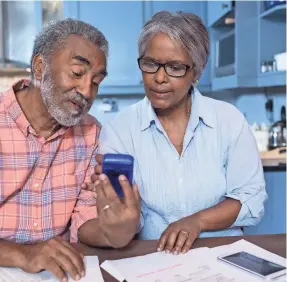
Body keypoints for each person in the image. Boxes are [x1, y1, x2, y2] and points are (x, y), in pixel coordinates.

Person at [88, 11, 267, 256]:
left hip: (224, 257)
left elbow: (251, 200)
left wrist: (197, 221)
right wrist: (119, 214)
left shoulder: (229, 120)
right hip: (154, 258)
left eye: (174, 67)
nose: (159, 78)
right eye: (150, 64)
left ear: (197, 71)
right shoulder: (120, 130)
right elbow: (125, 220)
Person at [0, 18, 140, 282]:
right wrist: (21, 255)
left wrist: (114, 230)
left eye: (97, 81)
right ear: (40, 67)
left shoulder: (91, 134)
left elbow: (85, 222)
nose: (87, 91)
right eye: (77, 73)